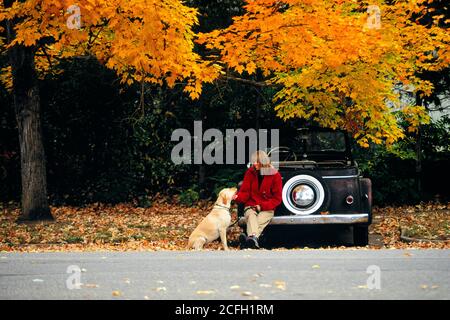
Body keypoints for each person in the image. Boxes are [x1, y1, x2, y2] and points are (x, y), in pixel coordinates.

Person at [232, 150, 282, 249]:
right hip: (251, 205)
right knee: (251, 215)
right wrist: (237, 197)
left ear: (263, 162)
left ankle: (248, 239)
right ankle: (253, 239)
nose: (254, 164)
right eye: (253, 161)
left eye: (257, 161)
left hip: (267, 207)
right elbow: (245, 192)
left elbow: (277, 198)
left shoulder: (275, 175)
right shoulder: (250, 172)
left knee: (259, 220)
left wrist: (261, 206)